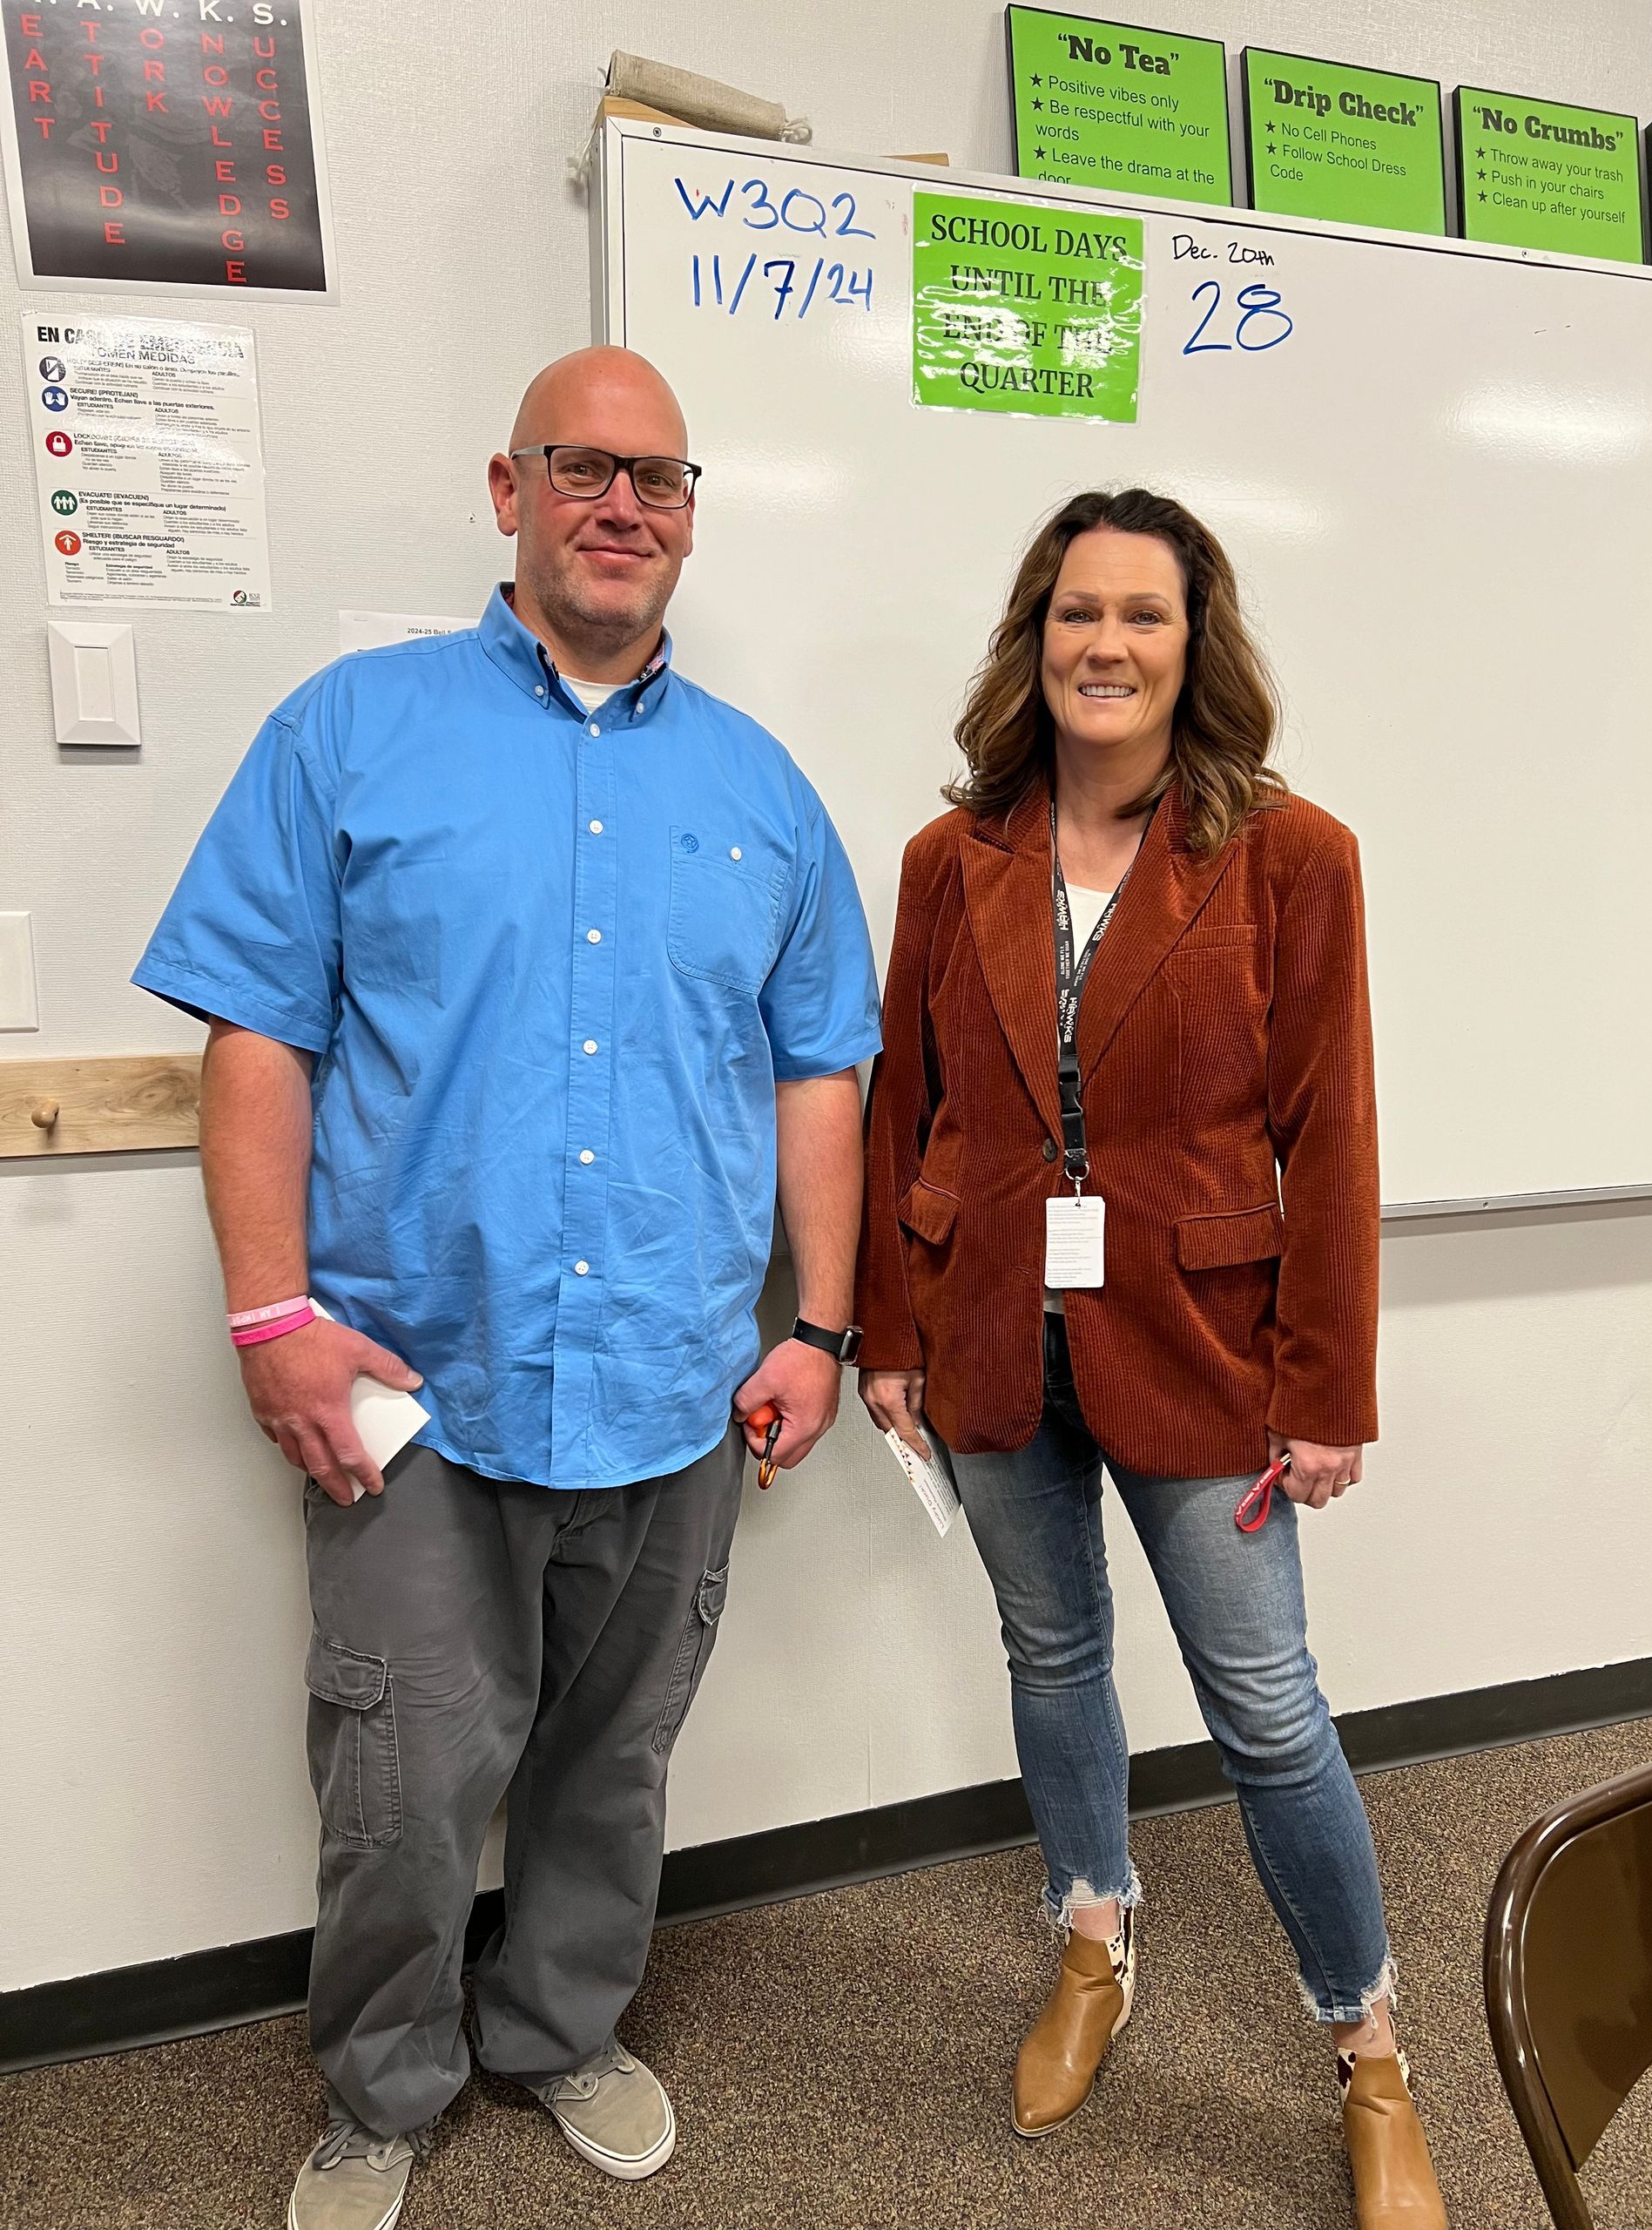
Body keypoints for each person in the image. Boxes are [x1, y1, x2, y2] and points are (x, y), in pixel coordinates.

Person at [132, 346, 880, 2230]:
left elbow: (817, 1075)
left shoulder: (763, 790)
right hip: (417, 1384)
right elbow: (259, 1035)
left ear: (691, 513)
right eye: (584, 467)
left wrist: (820, 1324)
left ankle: (557, 2026)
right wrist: (268, 1315)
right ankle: (382, 2082)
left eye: (660, 477)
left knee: (612, 1761)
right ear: (509, 487)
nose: (623, 506)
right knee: (397, 1765)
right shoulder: (349, 734)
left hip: (674, 1372)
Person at [855, 489, 1446, 2229]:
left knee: (1267, 1709)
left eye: (1143, 615)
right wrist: (889, 1328)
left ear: (1198, 647)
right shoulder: (947, 854)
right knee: (1053, 1656)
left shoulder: (1293, 854)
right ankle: (1094, 1929)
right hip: (985, 1339)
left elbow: (1330, 1134)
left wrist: (1328, 1388)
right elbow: (912, 1103)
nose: (1103, 642)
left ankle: (1370, 2048)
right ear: (1035, 636)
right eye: (1075, 611)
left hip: (1205, 1348)